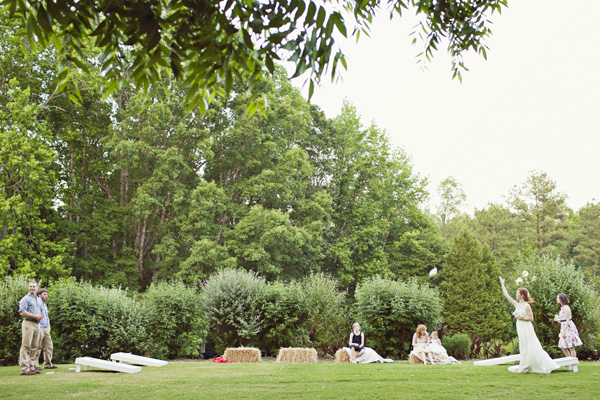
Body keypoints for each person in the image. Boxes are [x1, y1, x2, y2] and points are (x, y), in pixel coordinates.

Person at [499, 276, 559, 374]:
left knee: (531, 345)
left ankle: (537, 364)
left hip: (527, 327)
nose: (516, 295)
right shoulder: (516, 304)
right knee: (523, 346)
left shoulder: (527, 306)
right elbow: (506, 295)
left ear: (522, 295)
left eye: (518, 293)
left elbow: (531, 318)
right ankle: (525, 363)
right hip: (520, 327)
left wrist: (521, 318)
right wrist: (502, 284)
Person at [18, 281, 44, 375]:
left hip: (37, 324)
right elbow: (22, 312)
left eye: (33, 286)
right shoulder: (25, 299)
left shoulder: (38, 299)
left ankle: (31, 366)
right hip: (28, 323)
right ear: (28, 287)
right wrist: (35, 316)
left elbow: (41, 310)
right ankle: (24, 369)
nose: (32, 288)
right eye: (30, 286)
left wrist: (42, 314)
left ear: (36, 287)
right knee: (26, 346)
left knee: (34, 346)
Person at [32, 288, 57, 370]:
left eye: (47, 294)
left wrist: (48, 326)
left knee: (49, 346)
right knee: (37, 347)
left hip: (45, 328)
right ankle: (34, 365)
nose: (46, 296)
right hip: (39, 327)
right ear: (39, 295)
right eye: (44, 294)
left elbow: (46, 316)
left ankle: (47, 364)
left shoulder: (44, 305)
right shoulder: (37, 303)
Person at [553, 293, 583, 358]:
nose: (557, 299)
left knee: (570, 346)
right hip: (564, 326)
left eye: (558, 298)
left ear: (562, 299)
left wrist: (564, 331)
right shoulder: (562, 308)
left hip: (568, 328)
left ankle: (573, 363)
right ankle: (570, 360)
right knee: (562, 346)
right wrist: (557, 319)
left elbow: (567, 320)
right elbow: (563, 321)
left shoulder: (566, 307)